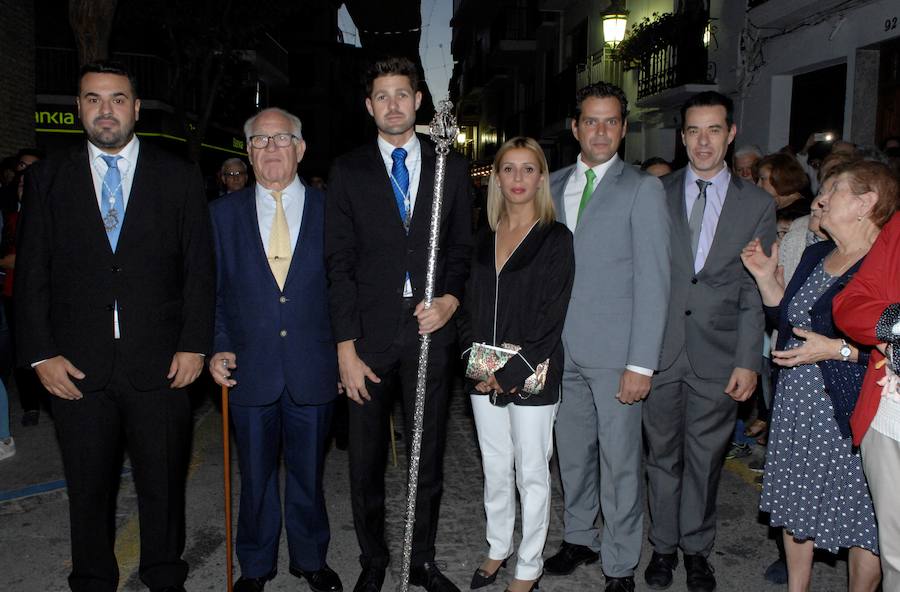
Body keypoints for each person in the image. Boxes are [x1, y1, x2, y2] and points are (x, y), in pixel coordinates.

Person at [14, 61, 215, 592]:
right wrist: (40, 354)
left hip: (163, 361)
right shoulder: (47, 177)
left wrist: (195, 344)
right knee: (87, 487)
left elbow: (199, 268)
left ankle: (164, 574)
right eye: (93, 99)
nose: (106, 109)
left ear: (136, 107)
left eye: (117, 98)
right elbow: (32, 272)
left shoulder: (178, 175)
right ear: (79, 108)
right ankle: (92, 579)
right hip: (76, 366)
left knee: (164, 483)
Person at [324, 56, 472, 592]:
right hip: (366, 338)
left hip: (430, 332)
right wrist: (344, 347)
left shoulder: (449, 166)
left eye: (402, 94)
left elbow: (461, 248)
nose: (393, 104)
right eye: (382, 96)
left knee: (425, 455)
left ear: (418, 101)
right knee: (364, 462)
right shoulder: (348, 171)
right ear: (369, 106)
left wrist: (452, 299)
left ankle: (423, 560)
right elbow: (337, 264)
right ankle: (373, 560)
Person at [641, 91, 775, 592]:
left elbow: (751, 290)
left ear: (731, 133)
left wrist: (748, 361)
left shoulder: (757, 203)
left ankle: (696, 551)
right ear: (682, 137)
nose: (703, 141)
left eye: (714, 130)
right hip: (658, 352)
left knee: (706, 459)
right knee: (661, 457)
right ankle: (662, 547)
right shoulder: (654, 192)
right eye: (694, 131)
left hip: (719, 356)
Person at [743, 160, 896, 592]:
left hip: (849, 408)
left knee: (862, 515)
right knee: (796, 501)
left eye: (833, 191)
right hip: (797, 404)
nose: (819, 199)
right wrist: (764, 280)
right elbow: (790, 322)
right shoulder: (816, 253)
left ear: (867, 203)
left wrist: (839, 350)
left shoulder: (884, 267)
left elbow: (889, 348)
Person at [542, 81, 670, 592]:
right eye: (591, 120)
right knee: (572, 454)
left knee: (620, 465)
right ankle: (578, 536)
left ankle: (620, 563)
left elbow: (655, 280)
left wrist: (641, 363)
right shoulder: (550, 186)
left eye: (611, 121)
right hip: (557, 350)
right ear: (575, 127)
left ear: (623, 128)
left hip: (617, 355)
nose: (601, 131)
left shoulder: (642, 188)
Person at [208, 108, 343, 592]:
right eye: (260, 141)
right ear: (247, 152)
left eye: (281, 139)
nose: (271, 149)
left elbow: (345, 291)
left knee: (309, 474)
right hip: (250, 369)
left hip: (314, 367)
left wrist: (348, 355)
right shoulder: (221, 216)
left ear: (301, 149)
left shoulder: (333, 212)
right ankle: (256, 565)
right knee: (256, 479)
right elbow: (215, 293)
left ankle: (310, 559)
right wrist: (218, 347)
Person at [458, 136, 574, 592]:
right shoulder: (482, 237)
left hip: (533, 372)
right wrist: (473, 362)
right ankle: (497, 546)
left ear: (541, 177)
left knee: (531, 471)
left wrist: (508, 374)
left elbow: (552, 318)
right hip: (481, 373)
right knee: (494, 465)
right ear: (496, 178)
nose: (518, 178)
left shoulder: (555, 238)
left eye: (529, 169)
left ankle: (529, 566)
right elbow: (466, 308)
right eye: (509, 169)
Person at [831, 167, 900, 590]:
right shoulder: (897, 229)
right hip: (890, 415)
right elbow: (851, 304)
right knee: (894, 551)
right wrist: (895, 325)